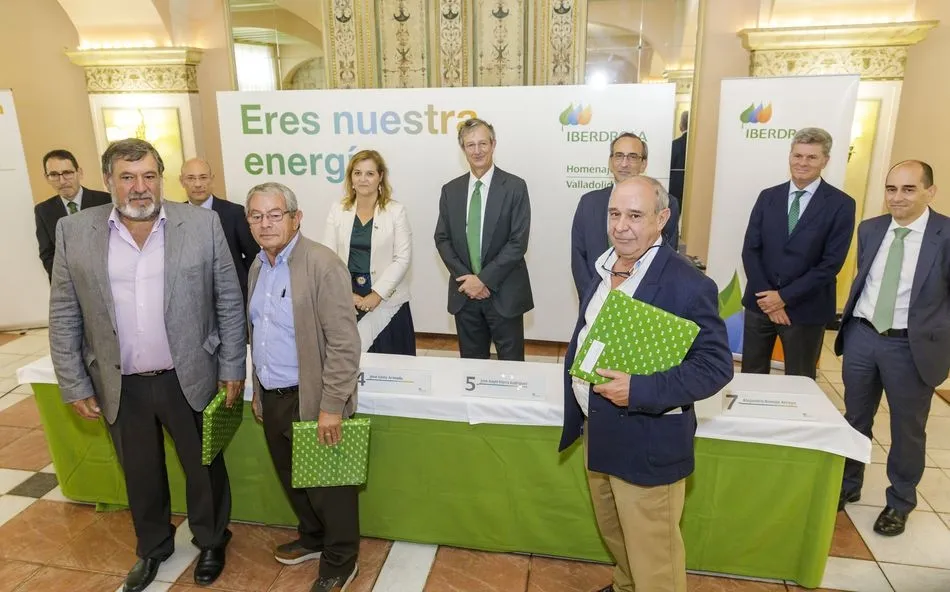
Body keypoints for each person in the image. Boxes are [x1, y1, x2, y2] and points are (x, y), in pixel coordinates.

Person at [48, 139, 246, 592]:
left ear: (161, 177)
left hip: (189, 375)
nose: (140, 187)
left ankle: (213, 539)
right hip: (121, 382)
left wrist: (232, 365)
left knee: (204, 467)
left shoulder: (201, 224)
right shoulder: (74, 232)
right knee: (140, 473)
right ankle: (153, 547)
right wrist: (74, 383)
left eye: (149, 176)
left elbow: (228, 300)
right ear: (107, 181)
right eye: (128, 177)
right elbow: (64, 311)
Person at [560, 176, 733, 592]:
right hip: (598, 431)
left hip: (649, 441)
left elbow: (715, 366)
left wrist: (639, 390)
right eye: (615, 214)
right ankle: (624, 586)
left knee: (654, 555)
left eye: (635, 216)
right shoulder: (602, 269)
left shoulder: (688, 284)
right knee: (617, 534)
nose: (621, 226)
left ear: (662, 219)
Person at [245, 182, 362, 592]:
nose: (266, 223)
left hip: (313, 398)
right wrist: (258, 393)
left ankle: (342, 559)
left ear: (296, 218)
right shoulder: (258, 266)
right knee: (294, 477)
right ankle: (313, 538)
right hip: (273, 395)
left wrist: (332, 405)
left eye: (275, 214)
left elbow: (345, 343)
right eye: (257, 216)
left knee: (330, 486)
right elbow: (258, 333)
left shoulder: (322, 263)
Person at [836, 160, 950, 536]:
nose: (897, 197)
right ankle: (847, 486)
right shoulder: (870, 229)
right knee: (855, 420)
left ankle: (899, 502)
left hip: (910, 347)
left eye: (908, 189)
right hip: (863, 339)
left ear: (930, 192)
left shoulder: (945, 236)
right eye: (891, 189)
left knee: (907, 430)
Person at [740, 127, 856, 379]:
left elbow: (830, 263)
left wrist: (784, 297)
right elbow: (751, 250)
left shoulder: (841, 204)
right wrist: (769, 301)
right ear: (790, 156)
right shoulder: (768, 197)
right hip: (760, 305)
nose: (802, 163)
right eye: (798, 155)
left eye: (811, 157)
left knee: (800, 381)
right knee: (751, 376)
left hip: (806, 308)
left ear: (825, 160)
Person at [434, 118, 533, 360]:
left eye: (482, 144)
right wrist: (470, 281)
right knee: (471, 370)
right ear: (463, 149)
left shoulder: (515, 187)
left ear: (493, 144)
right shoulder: (451, 190)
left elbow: (517, 242)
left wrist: (484, 280)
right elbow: (442, 238)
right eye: (470, 145)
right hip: (465, 295)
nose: (477, 151)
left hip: (504, 294)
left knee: (512, 371)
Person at [321, 150, 415, 354]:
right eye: (357, 173)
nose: (363, 179)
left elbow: (402, 259)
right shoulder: (338, 210)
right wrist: (347, 294)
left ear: (380, 176)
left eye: (370, 173)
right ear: (350, 177)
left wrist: (377, 294)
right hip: (348, 298)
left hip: (387, 300)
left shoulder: (396, 211)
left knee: (392, 368)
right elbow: (327, 258)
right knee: (348, 364)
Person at [571, 133, 681, 299]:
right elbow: (579, 259)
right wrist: (593, 298)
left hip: (642, 305)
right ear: (610, 161)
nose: (624, 163)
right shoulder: (589, 202)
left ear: (643, 164)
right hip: (595, 301)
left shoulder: (665, 203)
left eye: (632, 157)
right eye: (619, 156)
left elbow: (665, 258)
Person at [180, 158, 260, 301]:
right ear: (182, 181)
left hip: (233, 297)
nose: (198, 184)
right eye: (191, 178)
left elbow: (253, 256)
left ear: (212, 179)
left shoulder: (234, 212)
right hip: (191, 299)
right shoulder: (175, 217)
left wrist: (244, 285)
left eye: (203, 177)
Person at [34, 149, 111, 281]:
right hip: (70, 286)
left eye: (67, 173)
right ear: (47, 178)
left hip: (107, 279)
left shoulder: (106, 201)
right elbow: (47, 254)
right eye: (54, 174)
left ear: (79, 172)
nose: (62, 181)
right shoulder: (43, 210)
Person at [669, 110, 688, 208]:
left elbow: (670, 166)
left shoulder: (675, 144)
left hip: (675, 190)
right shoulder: (699, 145)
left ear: (681, 125)